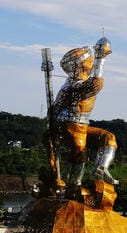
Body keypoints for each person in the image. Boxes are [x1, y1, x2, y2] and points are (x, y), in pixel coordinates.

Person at [46, 37, 118, 197]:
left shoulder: (78, 81)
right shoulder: (74, 84)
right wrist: (101, 59)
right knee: (80, 152)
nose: (91, 61)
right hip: (70, 124)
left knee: (109, 139)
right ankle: (74, 187)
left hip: (82, 125)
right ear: (82, 65)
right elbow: (96, 85)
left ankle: (101, 169)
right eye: (90, 60)